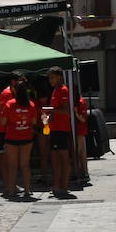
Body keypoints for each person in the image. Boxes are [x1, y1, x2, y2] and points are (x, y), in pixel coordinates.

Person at [0, 76, 38, 200]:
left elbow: (3, 122)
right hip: (27, 137)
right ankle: (27, 189)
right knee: (25, 164)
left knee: (12, 165)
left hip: (12, 137)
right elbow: (35, 121)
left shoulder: (10, 104)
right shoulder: (31, 104)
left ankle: (11, 190)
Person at [43, 68, 75, 199]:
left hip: (62, 130)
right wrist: (47, 117)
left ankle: (64, 187)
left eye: (52, 77)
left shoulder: (63, 90)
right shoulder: (55, 90)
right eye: (49, 78)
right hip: (55, 129)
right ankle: (57, 185)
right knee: (55, 160)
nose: (50, 80)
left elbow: (66, 110)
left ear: (59, 77)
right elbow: (56, 111)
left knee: (63, 159)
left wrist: (50, 110)